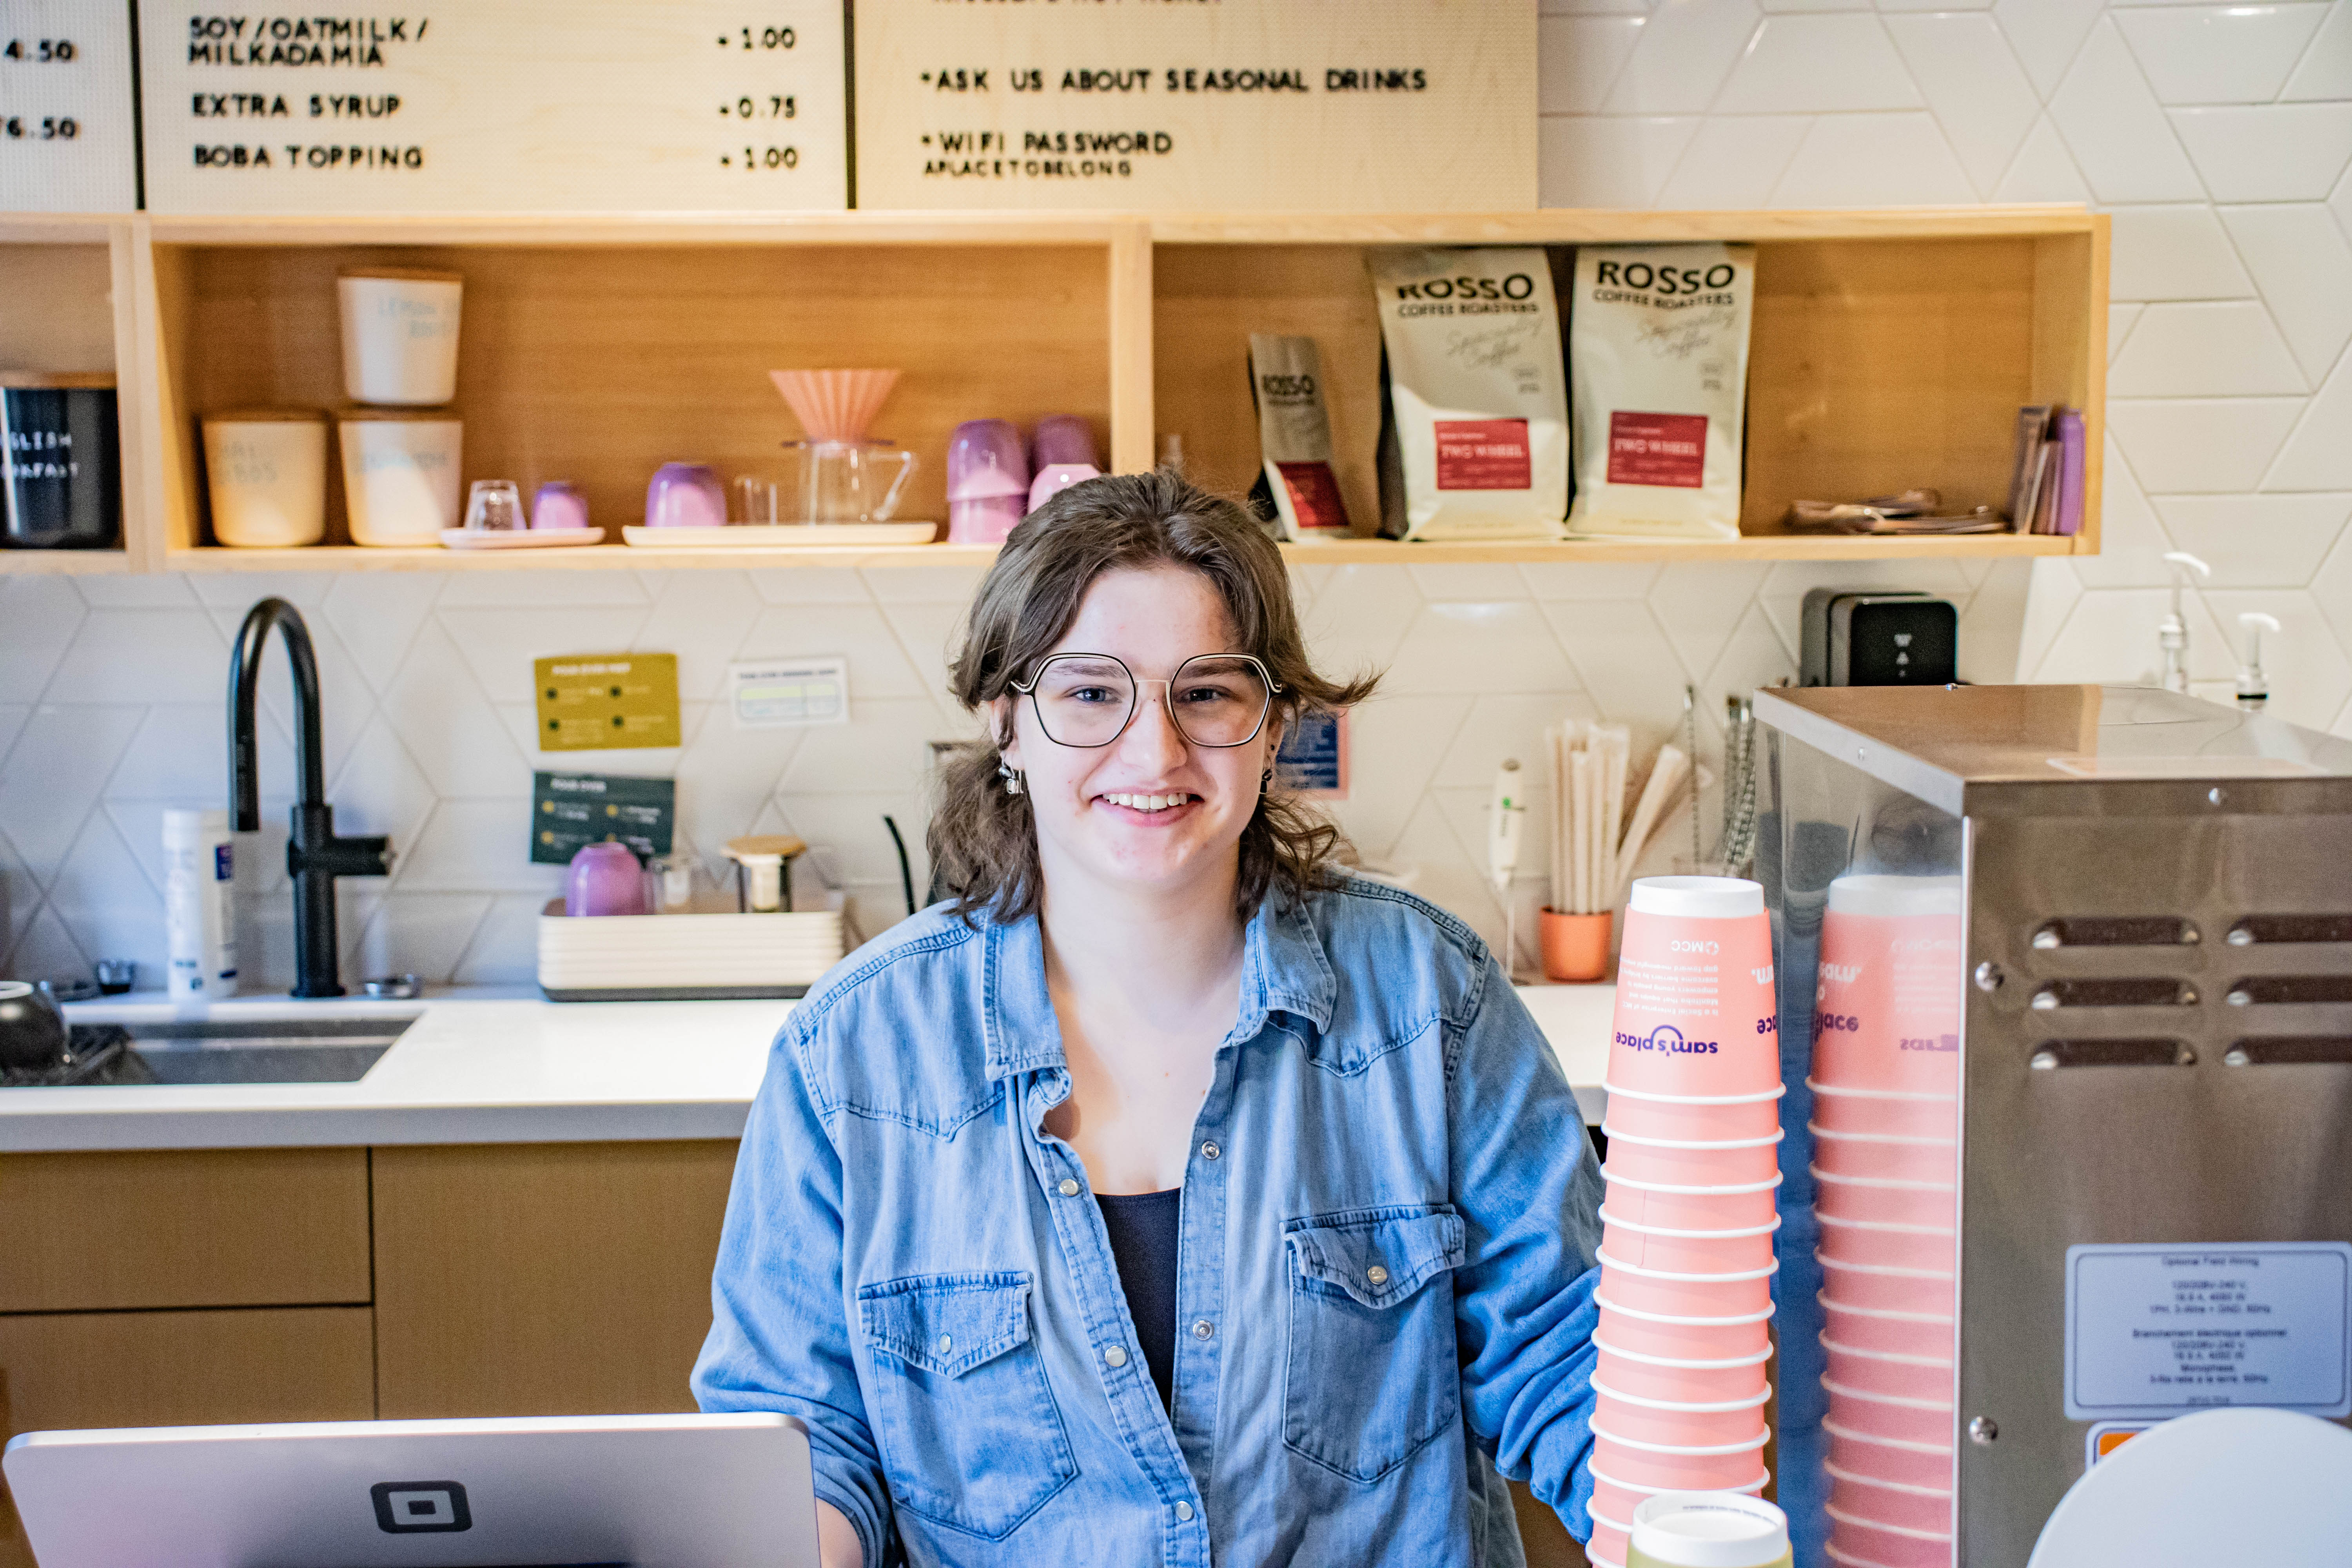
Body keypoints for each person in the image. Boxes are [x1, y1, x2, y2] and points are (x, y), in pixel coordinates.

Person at [694, 471, 1605, 1566]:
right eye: (1090, 694)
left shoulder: (1432, 1003)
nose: (1153, 752)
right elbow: (803, 1440)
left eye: (1207, 693)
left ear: (1274, 727)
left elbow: (1571, 1365)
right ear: (1006, 727)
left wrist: (1672, 1515)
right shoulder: (852, 1054)